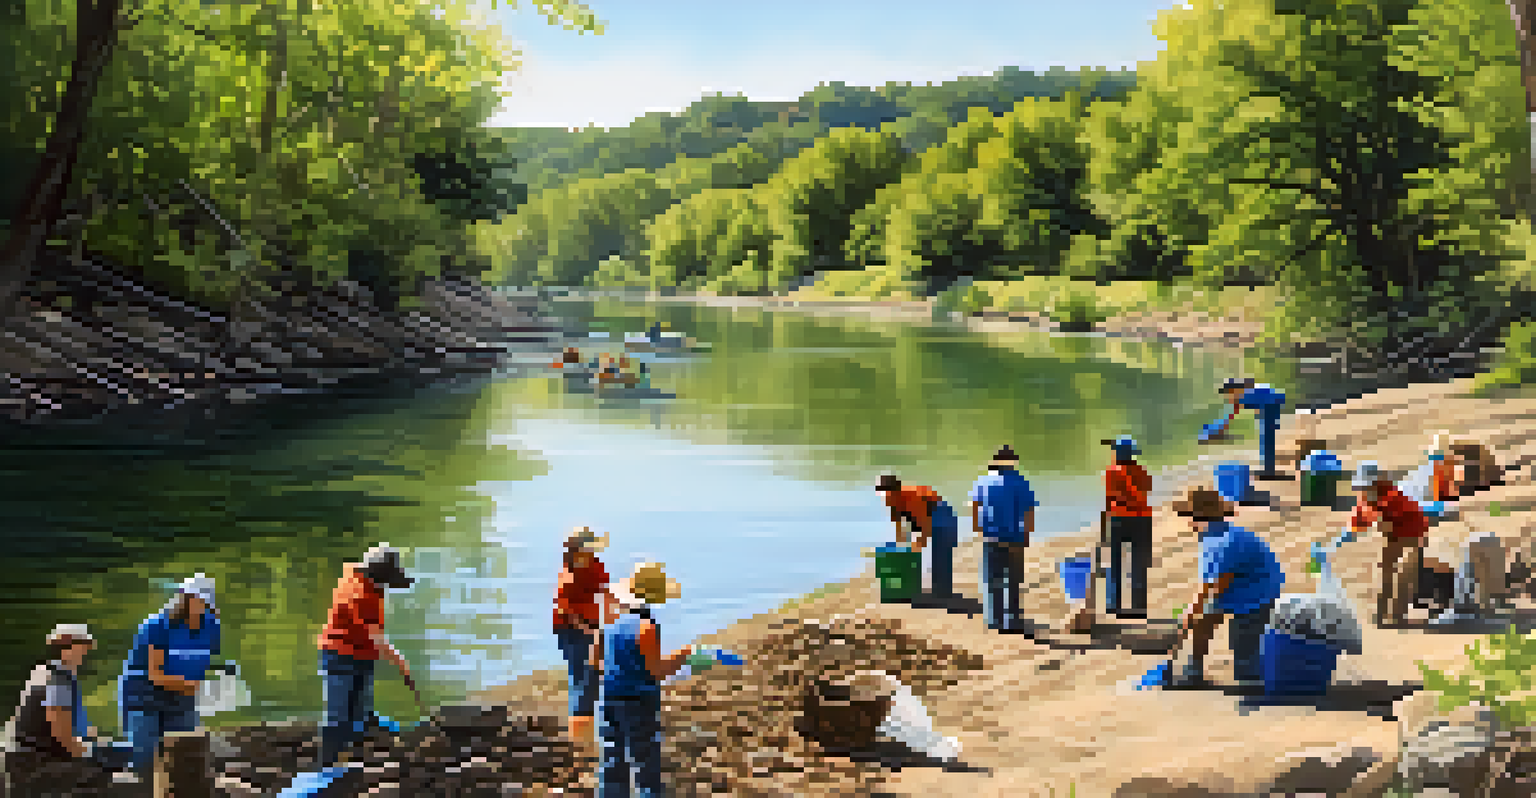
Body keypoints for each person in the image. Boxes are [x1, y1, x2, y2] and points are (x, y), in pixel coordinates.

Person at [591, 562, 694, 798]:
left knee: (612, 761)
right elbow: (655, 671)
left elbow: (595, 663)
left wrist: (617, 672)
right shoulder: (646, 627)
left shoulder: (610, 625)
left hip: (609, 699)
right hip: (638, 702)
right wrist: (684, 655)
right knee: (645, 763)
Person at [1171, 487, 1285, 689]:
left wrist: (1192, 611)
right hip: (1239, 584)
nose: (1186, 521)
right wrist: (1197, 613)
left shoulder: (1222, 542)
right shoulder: (1211, 532)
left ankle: (1256, 674)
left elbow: (1216, 586)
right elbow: (1213, 585)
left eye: (1186, 515)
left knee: (1245, 665)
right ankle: (1194, 670)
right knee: (1203, 620)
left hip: (1258, 593)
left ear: (1198, 515)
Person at [316, 544, 417, 767]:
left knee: (361, 702)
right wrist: (401, 663)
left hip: (363, 651)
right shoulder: (358, 595)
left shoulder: (363, 578)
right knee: (338, 714)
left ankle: (362, 736)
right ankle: (327, 766)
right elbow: (377, 637)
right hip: (339, 654)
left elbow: (373, 637)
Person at [118, 573, 222, 780]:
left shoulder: (211, 626)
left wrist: (215, 683)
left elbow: (201, 661)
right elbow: (155, 674)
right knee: (145, 762)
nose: (200, 605)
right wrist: (190, 685)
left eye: (204, 601)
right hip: (143, 696)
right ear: (184, 599)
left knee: (185, 757)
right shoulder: (157, 625)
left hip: (182, 696)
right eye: (195, 599)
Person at [4, 624, 114, 797]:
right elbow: (61, 735)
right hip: (38, 764)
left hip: (23, 759)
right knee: (106, 773)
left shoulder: (41, 672)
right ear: (67, 649)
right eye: (83, 647)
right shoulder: (59, 681)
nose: (86, 653)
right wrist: (91, 751)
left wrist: (88, 738)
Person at [553, 526, 618, 762]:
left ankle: (588, 736)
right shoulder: (568, 576)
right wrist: (588, 631)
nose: (591, 553)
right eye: (586, 548)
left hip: (590, 624)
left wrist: (613, 622)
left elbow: (606, 592)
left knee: (596, 678)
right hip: (569, 629)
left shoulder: (595, 565)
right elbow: (565, 609)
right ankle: (579, 744)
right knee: (583, 679)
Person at [1348, 462, 1429, 627]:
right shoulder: (1365, 499)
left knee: (1404, 573)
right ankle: (1381, 612)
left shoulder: (1392, 497)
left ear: (1377, 484)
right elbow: (1356, 523)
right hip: (1393, 534)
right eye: (1362, 487)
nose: (1364, 491)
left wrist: (1378, 521)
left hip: (1412, 533)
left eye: (1368, 486)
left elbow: (1389, 525)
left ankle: (1397, 615)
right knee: (1384, 570)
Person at [969, 445, 1037, 632]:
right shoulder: (1021, 482)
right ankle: (1013, 621)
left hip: (991, 537)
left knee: (993, 580)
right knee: (1014, 581)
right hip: (1015, 537)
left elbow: (974, 505)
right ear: (1013, 462)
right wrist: (1027, 534)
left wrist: (978, 529)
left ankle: (994, 620)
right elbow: (1029, 510)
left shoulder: (983, 482)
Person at [875, 474, 959, 602]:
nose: (885, 499)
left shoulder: (911, 496)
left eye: (887, 495)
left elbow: (923, 522)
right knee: (913, 548)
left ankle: (943, 592)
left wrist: (920, 543)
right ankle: (915, 587)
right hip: (923, 515)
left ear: (896, 491)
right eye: (882, 495)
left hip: (941, 513)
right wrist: (901, 551)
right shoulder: (891, 503)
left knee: (941, 551)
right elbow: (900, 529)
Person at [1103, 436, 1153, 619]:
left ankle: (1113, 604)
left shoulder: (1112, 472)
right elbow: (1148, 489)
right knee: (1139, 563)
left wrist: (1105, 522)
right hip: (1142, 518)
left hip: (1119, 517)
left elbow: (1110, 498)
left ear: (1118, 453)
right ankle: (1139, 607)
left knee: (1115, 562)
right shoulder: (1142, 471)